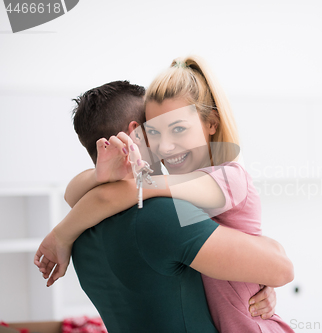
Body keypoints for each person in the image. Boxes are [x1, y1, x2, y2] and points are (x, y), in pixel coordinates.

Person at [34, 77, 294, 332]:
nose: (166, 144)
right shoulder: (162, 215)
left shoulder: (82, 233)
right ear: (136, 134)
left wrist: (63, 233)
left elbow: (82, 193)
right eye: (154, 129)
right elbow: (282, 268)